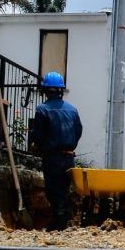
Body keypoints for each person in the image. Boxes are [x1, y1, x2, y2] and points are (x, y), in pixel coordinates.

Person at [29, 71, 82, 231]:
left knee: (53, 190)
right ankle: (61, 221)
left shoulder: (42, 110)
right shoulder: (72, 110)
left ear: (45, 90)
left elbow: (38, 135)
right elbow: (78, 131)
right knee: (63, 189)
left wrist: (36, 143)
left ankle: (58, 223)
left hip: (52, 157)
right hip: (68, 157)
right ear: (61, 90)